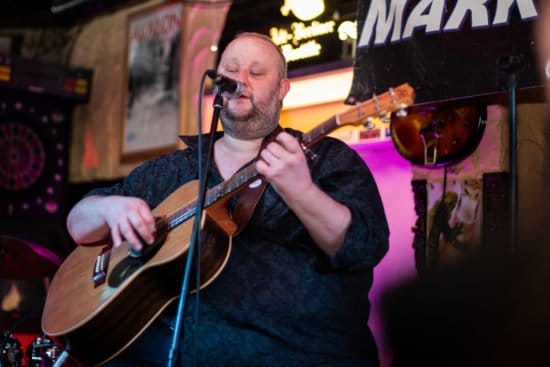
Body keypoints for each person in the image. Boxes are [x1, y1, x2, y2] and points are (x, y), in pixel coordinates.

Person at [65, 32, 389, 366]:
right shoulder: (173, 169)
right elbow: (79, 225)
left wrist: (301, 191)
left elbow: (363, 247)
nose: (240, 80)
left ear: (282, 89)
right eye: (231, 69)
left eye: (257, 72)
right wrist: (108, 208)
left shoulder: (327, 160)